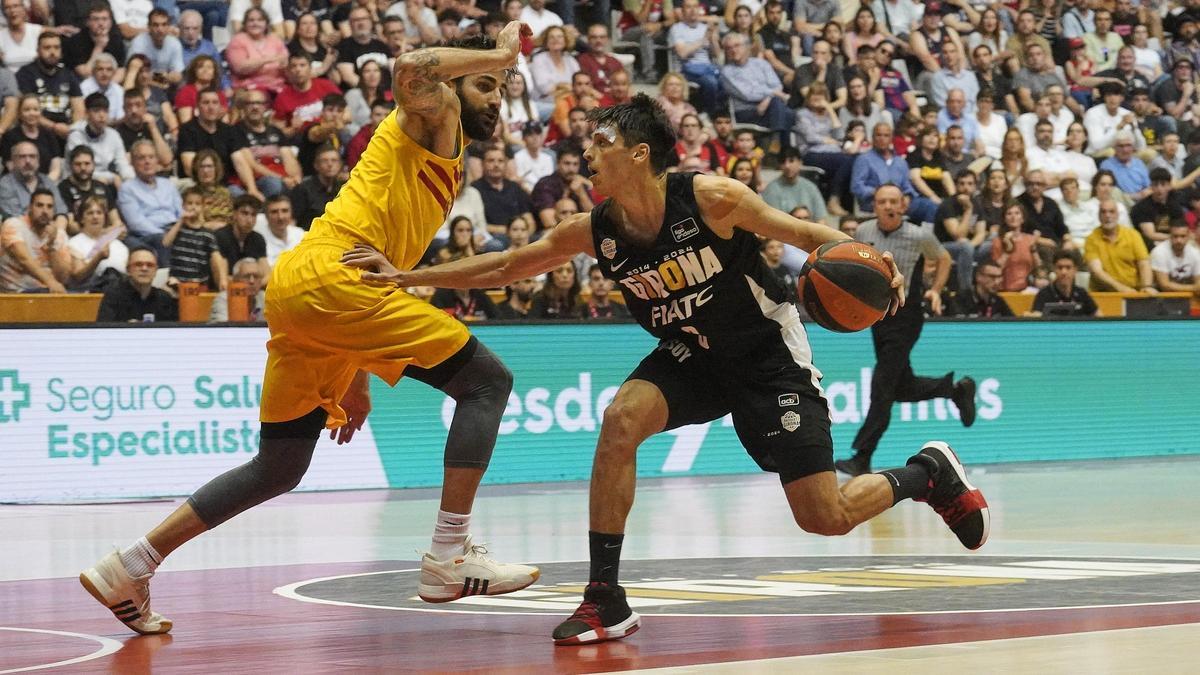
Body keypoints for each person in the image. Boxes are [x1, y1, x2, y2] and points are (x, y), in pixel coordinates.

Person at [341, 95, 991, 645]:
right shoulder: (597, 228)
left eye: (599, 143)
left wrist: (878, 275)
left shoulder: (710, 198)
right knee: (621, 417)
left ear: (639, 153)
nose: (586, 153)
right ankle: (605, 595)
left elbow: (808, 236)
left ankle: (925, 472)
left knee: (825, 513)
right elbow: (508, 264)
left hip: (766, 356)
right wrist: (408, 275)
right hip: (691, 356)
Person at [80, 25, 541, 638]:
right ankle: (449, 554)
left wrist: (354, 376)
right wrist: (501, 52)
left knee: (280, 465)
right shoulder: (436, 108)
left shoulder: (444, 140)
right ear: (454, 85)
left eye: (502, 87)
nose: (494, 98)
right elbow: (410, 67)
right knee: (487, 383)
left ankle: (130, 564)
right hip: (336, 280)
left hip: (309, 288)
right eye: (486, 84)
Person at [835, 183, 977, 477]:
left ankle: (862, 456)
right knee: (901, 386)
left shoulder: (918, 234)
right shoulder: (863, 232)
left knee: (883, 386)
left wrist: (936, 290)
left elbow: (945, 258)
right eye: (881, 201)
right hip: (878, 317)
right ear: (873, 205)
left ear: (903, 206)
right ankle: (955, 389)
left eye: (893, 202)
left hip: (906, 316)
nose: (887, 206)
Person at [0, 187, 69, 292]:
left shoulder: (58, 235)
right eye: (39, 205)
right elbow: (24, 260)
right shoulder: (14, 225)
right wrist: (51, 282)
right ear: (30, 208)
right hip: (15, 294)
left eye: (49, 207)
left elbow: (63, 278)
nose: (45, 211)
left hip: (46, 292)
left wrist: (51, 247)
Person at [1084, 198, 1154, 293]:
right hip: (1103, 293)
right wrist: (1121, 289)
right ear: (1098, 216)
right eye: (1103, 212)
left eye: (1111, 212)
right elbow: (1097, 271)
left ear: (1117, 215)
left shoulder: (1133, 235)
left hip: (1133, 291)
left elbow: (1143, 262)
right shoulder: (1091, 239)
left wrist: (1146, 286)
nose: (1107, 215)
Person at [95, 246, 178, 321]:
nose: (144, 269)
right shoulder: (114, 296)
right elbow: (104, 331)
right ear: (128, 270)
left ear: (156, 270)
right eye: (138, 264)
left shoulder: (164, 298)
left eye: (150, 265)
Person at [1030, 250, 1099, 316]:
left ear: (1075, 270)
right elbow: (1036, 317)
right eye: (1060, 268)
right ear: (1054, 269)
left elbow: (1099, 316)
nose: (1064, 272)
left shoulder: (1082, 293)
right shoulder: (1044, 294)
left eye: (1068, 268)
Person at [945, 259, 1014, 317]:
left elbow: (1013, 323)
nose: (997, 282)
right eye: (992, 277)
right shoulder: (961, 299)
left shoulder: (998, 300)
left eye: (999, 277)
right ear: (978, 277)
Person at [1149, 221, 1200, 294]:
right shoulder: (1159, 252)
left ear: (1189, 236)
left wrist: (1196, 287)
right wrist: (1194, 288)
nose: (1179, 240)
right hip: (1161, 297)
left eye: (1183, 236)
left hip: (1188, 296)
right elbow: (1164, 286)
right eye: (1175, 236)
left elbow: (1198, 281)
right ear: (1170, 236)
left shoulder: (1194, 252)